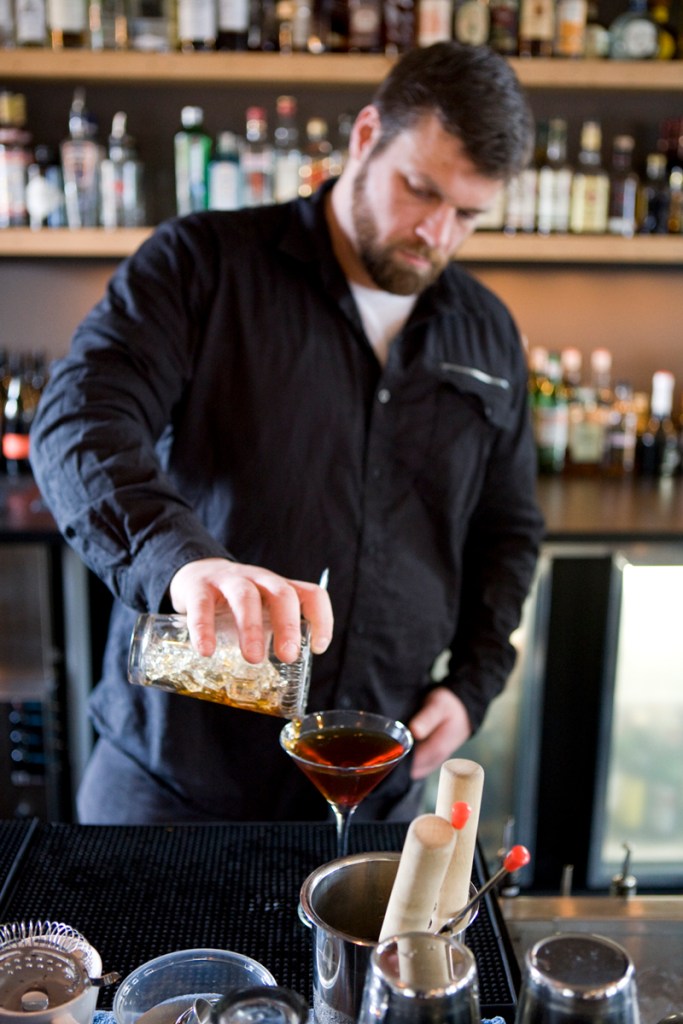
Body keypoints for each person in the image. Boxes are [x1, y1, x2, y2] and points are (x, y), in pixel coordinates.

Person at [30, 41, 545, 826]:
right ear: (365, 136)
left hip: (377, 782)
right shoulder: (202, 263)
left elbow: (507, 530)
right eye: (419, 190)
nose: (436, 234)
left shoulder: (488, 332)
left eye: (467, 214)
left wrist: (472, 684)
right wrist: (181, 562)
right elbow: (80, 419)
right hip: (177, 780)